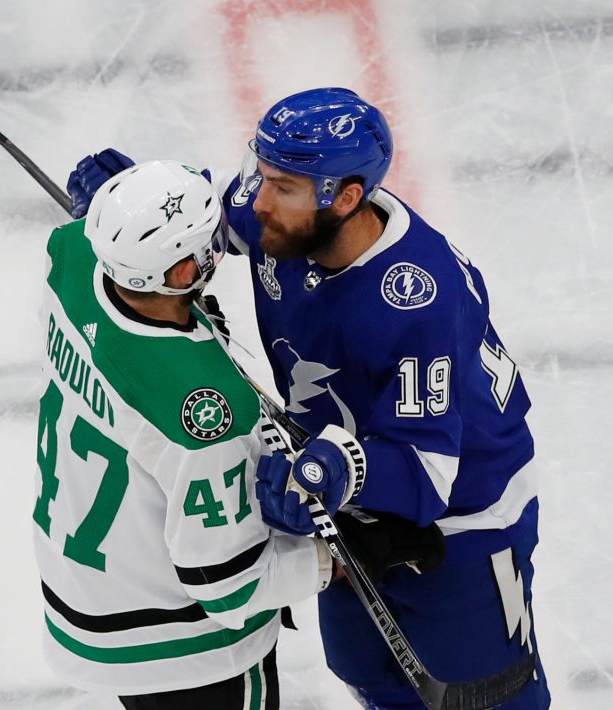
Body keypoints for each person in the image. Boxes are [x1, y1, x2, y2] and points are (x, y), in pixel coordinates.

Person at [67, 88, 551, 709]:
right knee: (367, 673)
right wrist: (140, 223)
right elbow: (197, 223)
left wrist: (334, 468)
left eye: (284, 187)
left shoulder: (413, 301)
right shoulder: (291, 215)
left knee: (479, 698)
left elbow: (427, 470)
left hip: (463, 522)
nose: (256, 201)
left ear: (346, 198)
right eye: (262, 174)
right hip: (345, 492)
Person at [34, 158, 378, 710]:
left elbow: (93, 245)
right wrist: (338, 561)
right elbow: (231, 586)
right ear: (178, 274)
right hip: (182, 647)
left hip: (93, 589)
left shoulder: (73, 258)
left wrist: (131, 209)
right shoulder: (206, 418)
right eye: (209, 241)